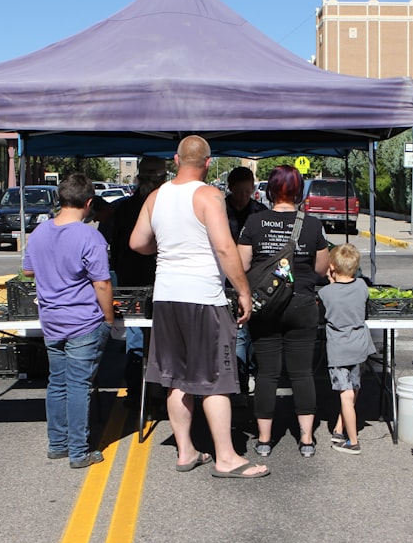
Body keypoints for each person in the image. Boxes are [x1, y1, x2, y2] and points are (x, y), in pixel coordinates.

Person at [130, 135, 267, 478]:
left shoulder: (156, 197)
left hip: (166, 294)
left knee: (176, 377)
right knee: (216, 380)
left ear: (176, 159)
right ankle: (226, 458)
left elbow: (137, 243)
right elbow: (224, 248)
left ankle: (186, 450)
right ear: (208, 163)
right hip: (203, 296)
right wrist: (244, 291)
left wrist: (168, 245)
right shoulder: (208, 195)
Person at [22, 174, 115, 469]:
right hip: (82, 321)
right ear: (89, 203)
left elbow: (28, 271)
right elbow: (102, 283)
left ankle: (58, 444)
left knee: (57, 383)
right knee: (78, 385)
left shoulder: (39, 232)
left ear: (59, 200)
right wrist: (110, 319)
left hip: (51, 320)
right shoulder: (90, 236)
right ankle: (78, 451)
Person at [238, 165, 329, 458]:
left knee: (267, 374)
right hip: (301, 304)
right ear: (299, 192)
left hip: (266, 307)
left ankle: (264, 440)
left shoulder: (254, 222)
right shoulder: (313, 225)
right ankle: (306, 440)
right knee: (302, 373)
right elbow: (321, 269)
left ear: (270, 190)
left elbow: (240, 267)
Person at [110, 157, 168, 408]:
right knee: (161, 339)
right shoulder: (165, 207)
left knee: (138, 339)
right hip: (154, 281)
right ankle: (155, 392)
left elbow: (113, 249)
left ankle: (138, 392)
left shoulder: (123, 208)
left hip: (136, 281)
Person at [318, 243, 375, 455]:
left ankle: (353, 441)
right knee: (353, 388)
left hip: (339, 349)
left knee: (345, 394)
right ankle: (340, 428)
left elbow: (329, 301)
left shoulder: (326, 293)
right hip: (359, 345)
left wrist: (330, 280)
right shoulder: (361, 286)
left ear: (331, 267)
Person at [224, 166, 268, 400]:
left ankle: (251, 375)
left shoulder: (259, 212)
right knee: (239, 334)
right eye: (239, 191)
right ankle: (239, 383)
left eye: (247, 191)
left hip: (256, 280)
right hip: (228, 281)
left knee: (254, 334)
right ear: (230, 188)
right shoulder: (219, 211)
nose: (243, 196)